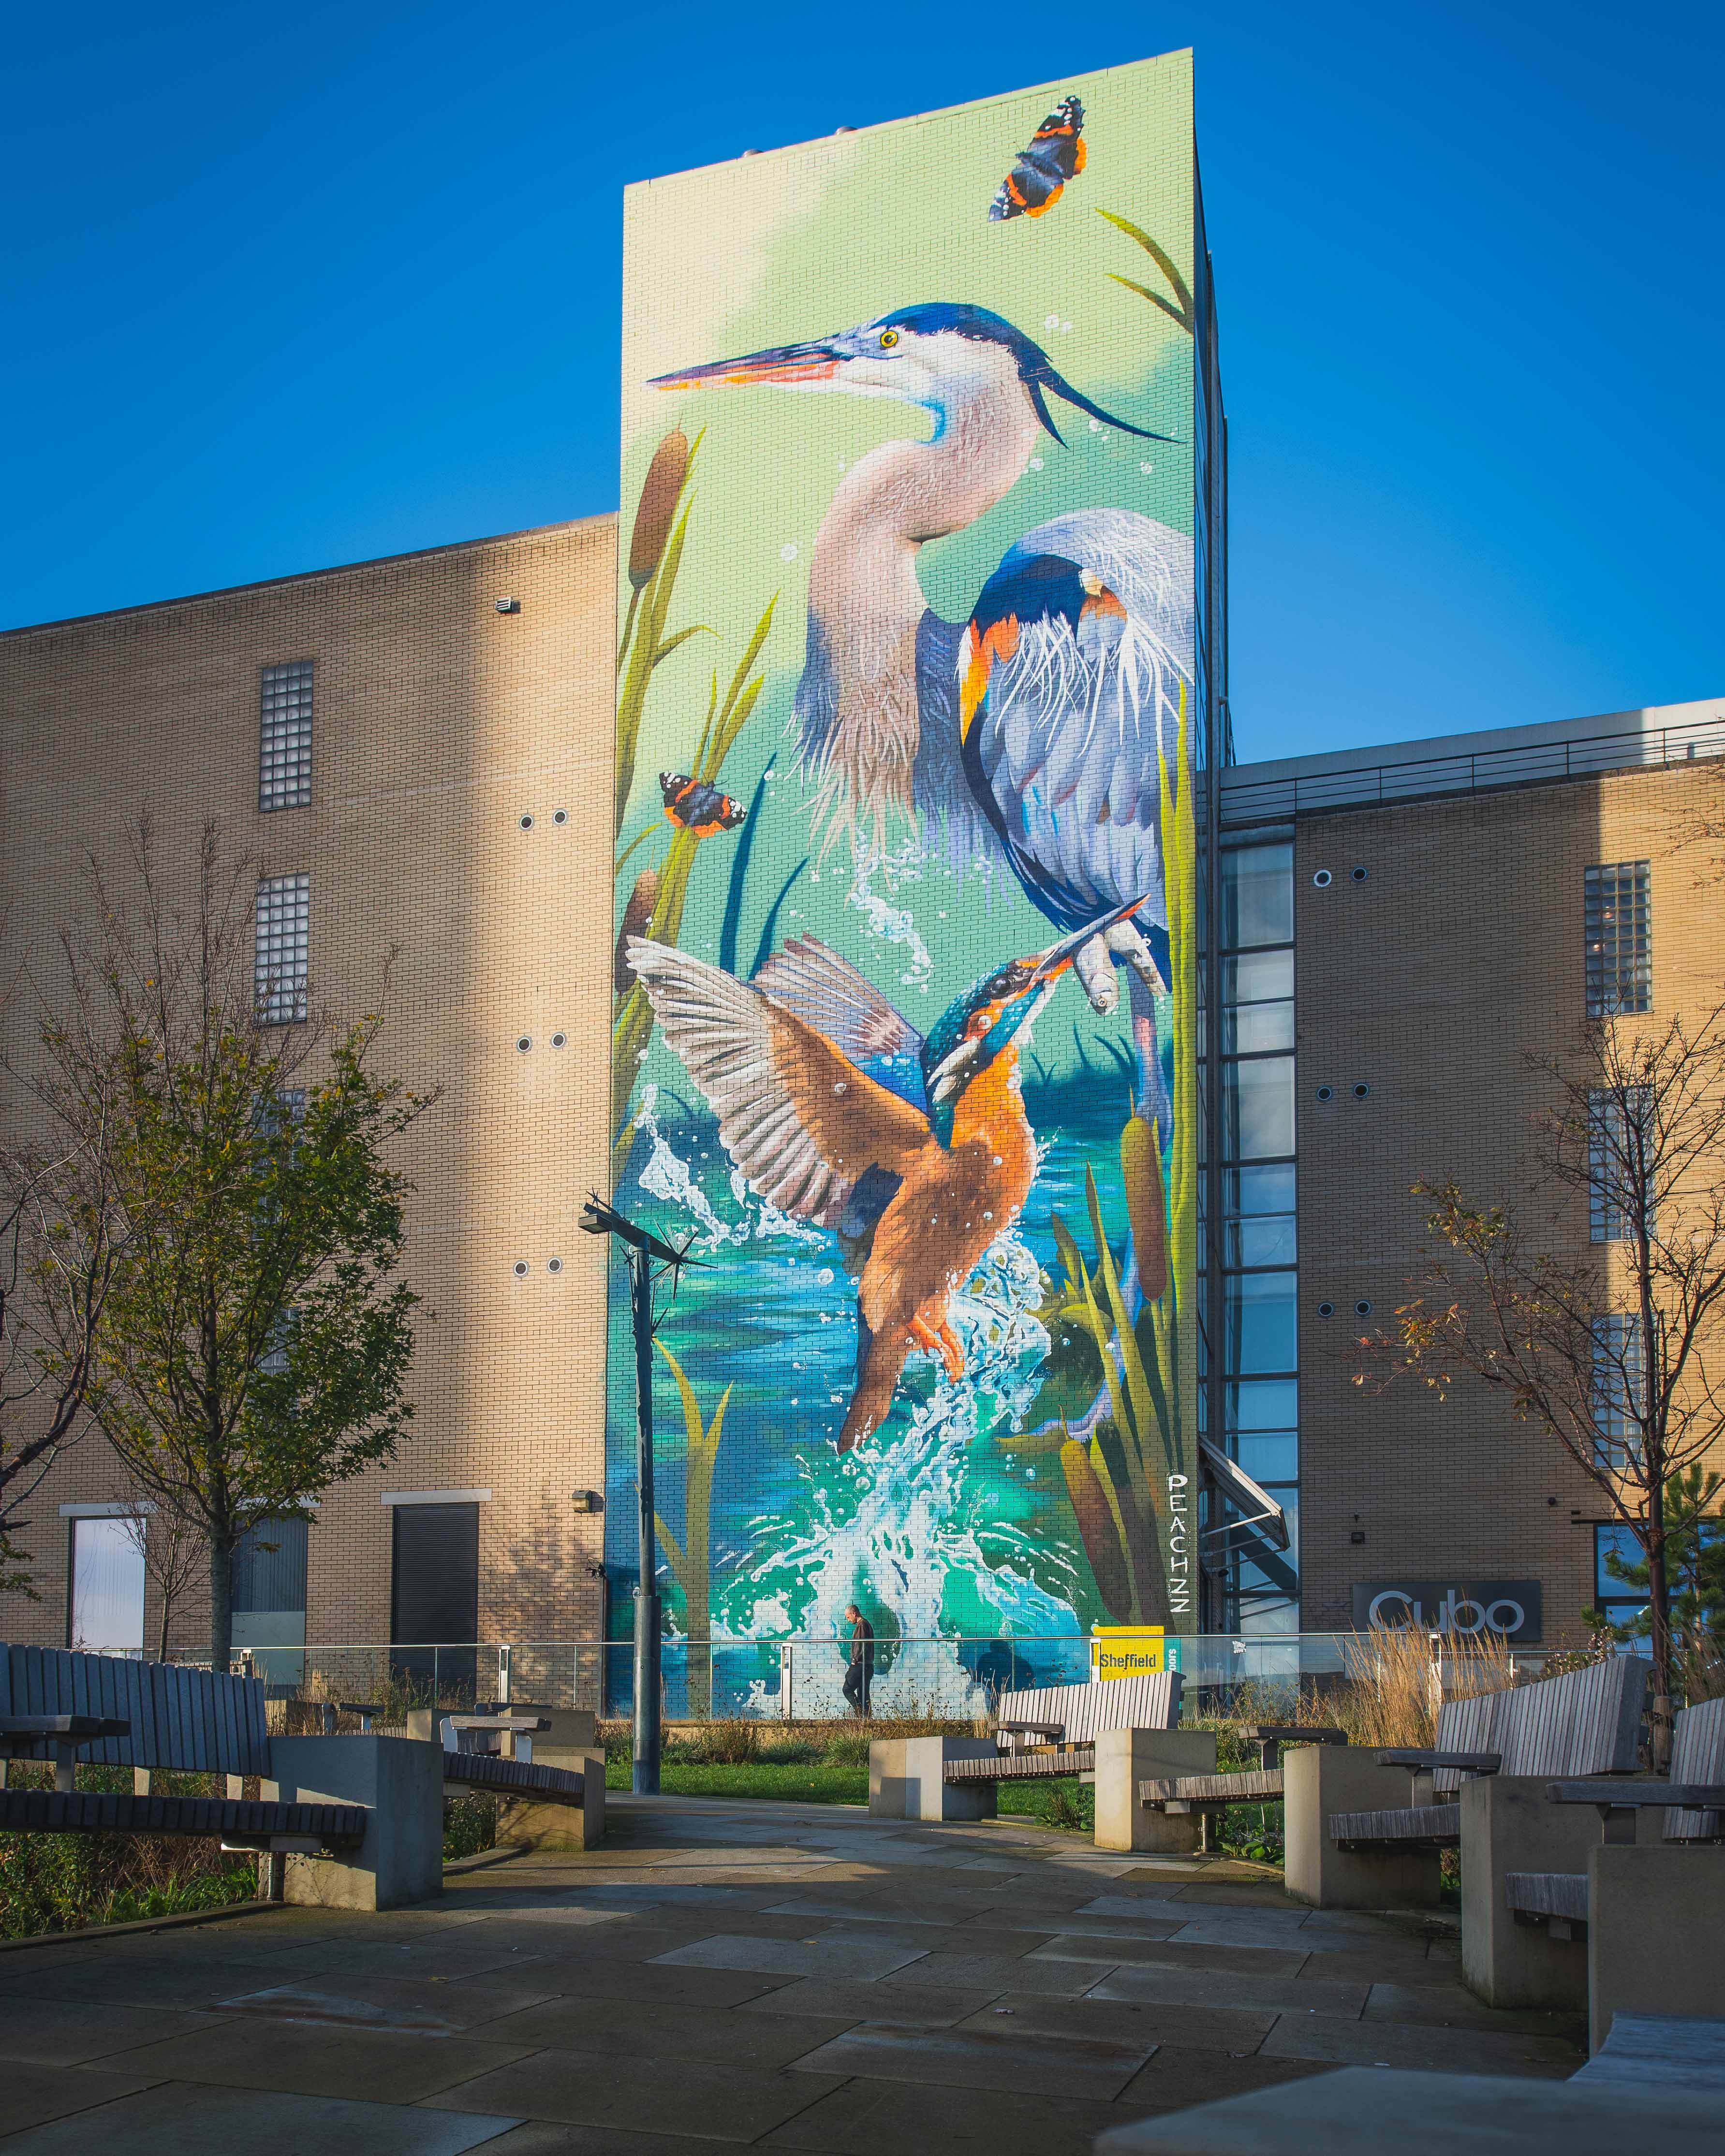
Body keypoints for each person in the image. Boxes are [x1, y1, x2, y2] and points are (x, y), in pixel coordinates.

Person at [841, 1602, 875, 1716]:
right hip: (868, 1665)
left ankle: (859, 1711)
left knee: (847, 1689)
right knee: (863, 1692)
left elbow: (861, 1644)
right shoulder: (866, 1624)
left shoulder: (861, 1625)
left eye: (848, 1617)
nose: (848, 1620)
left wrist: (854, 1660)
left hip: (860, 1664)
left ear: (854, 1613)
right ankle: (866, 1718)